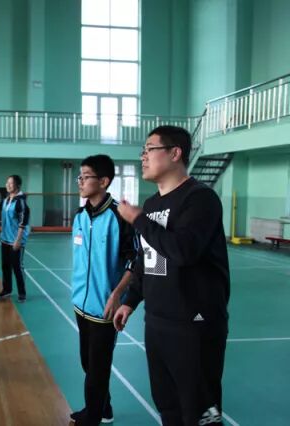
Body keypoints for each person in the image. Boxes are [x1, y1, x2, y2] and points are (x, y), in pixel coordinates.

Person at [114, 126, 230, 426]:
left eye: (149, 149)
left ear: (175, 153)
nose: (143, 156)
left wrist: (138, 220)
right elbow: (147, 260)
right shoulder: (152, 205)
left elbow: (183, 251)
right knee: (168, 407)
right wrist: (130, 300)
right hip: (158, 322)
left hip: (194, 324)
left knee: (200, 414)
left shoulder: (200, 199)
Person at [69, 155, 137, 425]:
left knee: (97, 368)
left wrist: (117, 294)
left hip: (105, 308)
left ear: (104, 181)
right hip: (80, 304)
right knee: (87, 362)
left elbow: (135, 261)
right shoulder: (80, 216)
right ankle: (104, 408)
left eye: (85, 177)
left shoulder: (120, 217)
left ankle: (93, 416)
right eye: (80, 176)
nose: (80, 181)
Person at [0, 175, 30, 302]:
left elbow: (23, 223)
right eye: (7, 182)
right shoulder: (6, 200)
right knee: (5, 266)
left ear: (18, 186)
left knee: (17, 267)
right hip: (5, 239)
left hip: (16, 240)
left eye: (11, 183)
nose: (8, 185)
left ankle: (22, 292)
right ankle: (7, 290)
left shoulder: (20, 201)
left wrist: (18, 240)